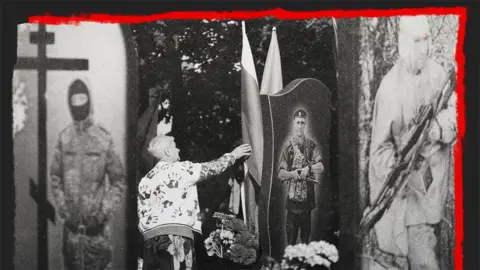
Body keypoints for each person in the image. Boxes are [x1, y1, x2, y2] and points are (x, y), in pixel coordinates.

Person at [367, 15, 457, 270]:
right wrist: (400, 165)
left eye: (427, 40)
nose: (424, 48)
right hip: (404, 199)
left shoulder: (440, 75)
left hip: (434, 193)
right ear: (404, 42)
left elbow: (458, 113)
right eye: (418, 41)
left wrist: (436, 129)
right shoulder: (389, 88)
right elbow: (379, 151)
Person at [137, 135, 251, 270]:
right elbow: (212, 167)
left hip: (148, 242)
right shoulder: (182, 169)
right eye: (175, 146)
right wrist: (233, 155)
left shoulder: (145, 179)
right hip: (175, 238)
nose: (178, 149)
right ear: (168, 151)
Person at [49, 78, 126, 270]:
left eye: (82, 99)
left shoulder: (103, 139)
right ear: (69, 103)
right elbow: (55, 176)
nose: (79, 104)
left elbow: (118, 180)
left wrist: (103, 213)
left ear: (89, 101)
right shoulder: (65, 138)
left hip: (98, 237)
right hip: (72, 236)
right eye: (74, 100)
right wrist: (64, 211)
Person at [277, 109, 324, 245]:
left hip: (307, 204)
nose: (300, 125)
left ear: (305, 124)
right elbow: (280, 174)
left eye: (302, 123)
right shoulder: (288, 148)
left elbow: (321, 167)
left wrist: (308, 168)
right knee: (291, 243)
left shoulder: (311, 146)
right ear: (293, 124)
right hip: (292, 204)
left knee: (305, 244)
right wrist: (294, 174)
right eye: (297, 122)